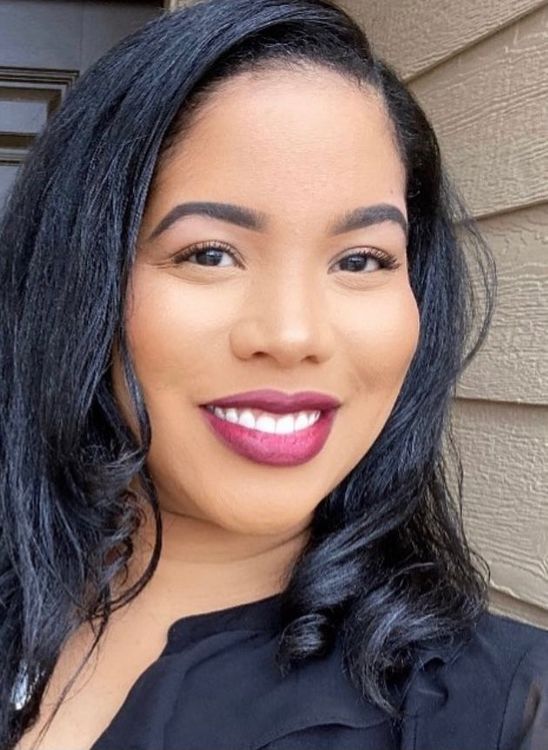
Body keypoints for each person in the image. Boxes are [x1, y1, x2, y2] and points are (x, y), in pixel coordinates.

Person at [1, 0, 547, 748]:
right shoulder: (28, 594)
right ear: (78, 276)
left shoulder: (500, 712)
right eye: (209, 253)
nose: (293, 336)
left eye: (360, 260)